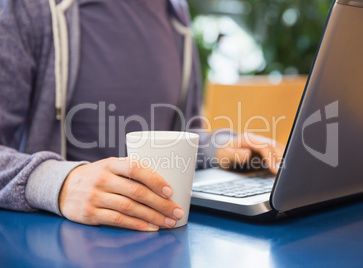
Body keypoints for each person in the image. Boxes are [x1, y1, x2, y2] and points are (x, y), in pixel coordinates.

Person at [0, 0, 284, 231]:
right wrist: (59, 183)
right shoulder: (28, 8)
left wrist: (216, 147)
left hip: (164, 237)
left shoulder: (176, 16)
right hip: (66, 242)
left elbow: (178, 132)